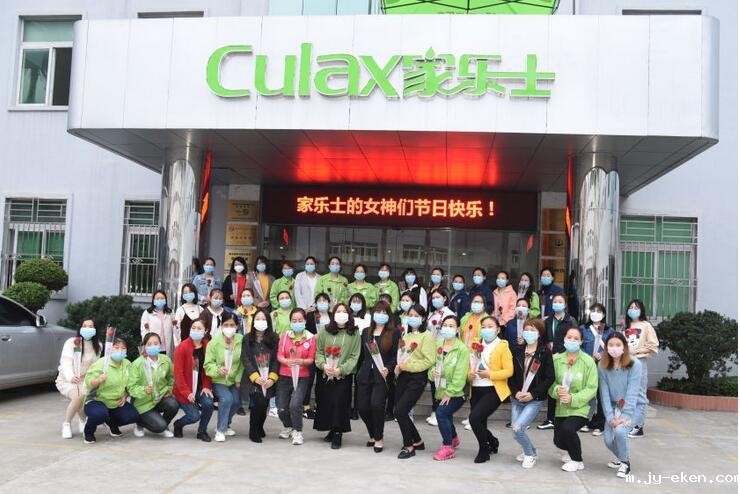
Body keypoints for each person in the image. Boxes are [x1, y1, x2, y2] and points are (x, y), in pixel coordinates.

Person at [548, 326, 598, 472]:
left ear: (581, 341)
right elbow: (550, 383)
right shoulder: (556, 360)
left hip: (582, 406)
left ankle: (577, 460)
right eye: (569, 337)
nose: (572, 340)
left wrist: (573, 398)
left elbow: (591, 388)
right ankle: (570, 451)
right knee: (558, 441)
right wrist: (557, 390)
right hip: (562, 407)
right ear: (564, 339)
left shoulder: (588, 361)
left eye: (576, 338)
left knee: (568, 429)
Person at [599, 332, 648, 478]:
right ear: (606, 347)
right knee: (608, 440)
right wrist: (610, 417)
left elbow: (633, 393)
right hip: (615, 406)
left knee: (620, 431)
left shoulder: (635, 364)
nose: (614, 348)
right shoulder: (602, 365)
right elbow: (604, 393)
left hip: (635, 406)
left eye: (618, 345)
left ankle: (625, 463)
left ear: (624, 347)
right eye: (611, 345)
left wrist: (624, 416)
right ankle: (621, 456)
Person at [314, 303, 362, 449]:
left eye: (344, 311)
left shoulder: (354, 333)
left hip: (342, 376)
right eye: (338, 311)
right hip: (326, 374)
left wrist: (341, 369)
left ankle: (338, 433)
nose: (341, 314)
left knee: (339, 403)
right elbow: (319, 351)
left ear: (349, 314)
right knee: (327, 402)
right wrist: (324, 365)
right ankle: (332, 428)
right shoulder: (325, 330)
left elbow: (355, 355)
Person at [508, 318, 554, 468]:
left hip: (534, 399)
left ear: (539, 333)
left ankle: (530, 455)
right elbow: (510, 376)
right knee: (515, 431)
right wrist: (515, 392)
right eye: (526, 329)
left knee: (518, 428)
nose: (529, 332)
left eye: (532, 330)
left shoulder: (544, 353)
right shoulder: (517, 351)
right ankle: (532, 450)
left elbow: (550, 378)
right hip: (517, 398)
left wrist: (533, 394)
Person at [466, 316, 512, 463]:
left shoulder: (502, 346)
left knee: (474, 418)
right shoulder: (476, 344)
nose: (486, 329)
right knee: (480, 422)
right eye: (484, 327)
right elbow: (470, 365)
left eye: (490, 326)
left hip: (493, 389)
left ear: (498, 329)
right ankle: (492, 441)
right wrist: (469, 375)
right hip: (476, 388)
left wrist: (490, 374)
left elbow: (509, 371)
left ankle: (484, 450)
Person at [357, 301, 400, 453]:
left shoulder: (394, 333)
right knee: (362, 407)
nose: (381, 315)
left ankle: (378, 438)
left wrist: (389, 368)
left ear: (389, 316)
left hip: (382, 375)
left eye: (384, 313)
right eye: (378, 312)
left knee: (376, 405)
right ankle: (373, 434)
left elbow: (395, 355)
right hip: (365, 374)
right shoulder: (366, 332)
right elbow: (362, 355)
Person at [394, 304, 435, 459]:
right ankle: (417, 441)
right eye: (410, 315)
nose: (412, 318)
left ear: (423, 318)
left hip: (417, 377)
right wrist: (399, 367)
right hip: (403, 376)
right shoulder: (406, 336)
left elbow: (429, 360)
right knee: (400, 410)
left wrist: (409, 366)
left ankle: (409, 446)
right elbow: (402, 356)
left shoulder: (427, 336)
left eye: (416, 315)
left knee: (400, 411)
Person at [430, 315, 471, 461]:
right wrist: (433, 373)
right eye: (445, 325)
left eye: (451, 326)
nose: (447, 328)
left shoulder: (462, 349)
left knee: (441, 413)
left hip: (457, 392)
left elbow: (460, 375)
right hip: (440, 389)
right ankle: (453, 438)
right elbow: (431, 365)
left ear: (457, 329)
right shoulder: (438, 344)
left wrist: (449, 393)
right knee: (446, 414)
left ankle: (447, 447)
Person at [83, 338, 139, 444]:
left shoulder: (127, 364)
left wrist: (125, 395)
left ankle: (110, 422)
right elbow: (88, 382)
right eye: (116, 348)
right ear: (110, 349)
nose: (120, 351)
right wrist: (98, 380)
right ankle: (89, 431)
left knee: (133, 416)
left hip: (115, 402)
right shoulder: (102, 363)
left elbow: (131, 383)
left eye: (123, 348)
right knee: (99, 414)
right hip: (97, 400)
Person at [275, 308, 317, 445]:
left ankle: (298, 431)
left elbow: (311, 359)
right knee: (281, 408)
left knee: (295, 405)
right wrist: (286, 361)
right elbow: (279, 355)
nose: (297, 323)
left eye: (300, 320)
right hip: (284, 375)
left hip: (302, 376)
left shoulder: (310, 338)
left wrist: (302, 362)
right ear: (290, 322)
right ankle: (288, 426)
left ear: (305, 321)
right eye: (294, 320)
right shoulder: (284, 336)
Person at [539, 293, 579, 430]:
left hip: (565, 356)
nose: (557, 304)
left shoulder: (570, 320)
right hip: (550, 357)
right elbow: (543, 338)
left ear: (565, 304)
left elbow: (575, 337)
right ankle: (550, 418)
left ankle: (566, 416)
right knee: (552, 385)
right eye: (555, 301)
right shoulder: (547, 320)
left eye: (560, 301)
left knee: (566, 384)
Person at [240, 309, 280, 443]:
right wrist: (255, 377)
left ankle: (260, 426)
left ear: (268, 322)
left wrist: (272, 378)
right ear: (253, 321)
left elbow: (276, 360)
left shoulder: (275, 338)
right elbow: (245, 358)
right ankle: (253, 430)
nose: (260, 321)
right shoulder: (247, 338)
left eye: (263, 319)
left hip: (268, 378)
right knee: (257, 404)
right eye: (258, 319)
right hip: (254, 379)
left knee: (264, 405)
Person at [57, 318, 101, 438]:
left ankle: (82, 420)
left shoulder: (98, 345)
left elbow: (95, 367)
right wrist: (71, 376)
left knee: (82, 396)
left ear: (95, 329)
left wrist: (92, 380)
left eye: (91, 326)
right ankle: (67, 423)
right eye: (85, 326)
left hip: (85, 380)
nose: (87, 329)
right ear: (80, 328)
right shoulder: (73, 342)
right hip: (68, 380)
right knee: (78, 396)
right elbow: (65, 361)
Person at [204, 312, 244, 442]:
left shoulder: (241, 340)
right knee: (227, 399)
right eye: (226, 325)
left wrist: (238, 379)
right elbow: (208, 364)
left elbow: (242, 363)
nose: (229, 328)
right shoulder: (214, 342)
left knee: (236, 402)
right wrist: (218, 370)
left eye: (232, 325)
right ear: (221, 326)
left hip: (233, 380)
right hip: (218, 380)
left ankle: (226, 424)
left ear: (237, 326)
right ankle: (220, 430)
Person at [129, 333, 178, 438]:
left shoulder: (166, 360)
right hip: (143, 403)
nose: (153, 346)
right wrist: (144, 390)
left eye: (156, 343)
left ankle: (163, 425)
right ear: (144, 347)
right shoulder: (137, 364)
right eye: (149, 344)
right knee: (159, 426)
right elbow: (131, 387)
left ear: (160, 345)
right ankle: (140, 423)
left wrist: (169, 389)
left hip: (159, 398)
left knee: (173, 404)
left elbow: (171, 377)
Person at [172, 319, 214, 442]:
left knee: (209, 404)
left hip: (200, 387)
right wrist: (186, 392)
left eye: (199, 328)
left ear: (206, 331)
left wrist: (207, 386)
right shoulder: (182, 347)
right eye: (193, 328)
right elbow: (178, 374)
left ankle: (202, 431)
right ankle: (178, 424)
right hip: (184, 389)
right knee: (194, 416)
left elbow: (208, 368)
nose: (196, 330)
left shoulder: (208, 346)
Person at [623, 299, 658, 438]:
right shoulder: (626, 325)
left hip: (639, 362)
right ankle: (630, 423)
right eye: (630, 307)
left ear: (641, 310)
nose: (633, 310)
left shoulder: (646, 325)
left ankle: (638, 426)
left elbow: (653, 345)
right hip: (625, 363)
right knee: (628, 394)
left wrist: (636, 351)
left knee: (640, 394)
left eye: (636, 307)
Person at [580, 302, 615, 435]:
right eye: (593, 310)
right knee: (588, 394)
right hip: (587, 366)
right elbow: (579, 346)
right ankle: (586, 421)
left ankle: (600, 424)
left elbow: (613, 346)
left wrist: (602, 354)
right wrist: (587, 357)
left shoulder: (609, 331)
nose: (595, 313)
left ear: (604, 314)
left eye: (599, 311)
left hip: (603, 367)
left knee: (602, 395)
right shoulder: (583, 329)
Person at [424, 287, 455, 427]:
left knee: (442, 381)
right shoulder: (432, 314)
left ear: (445, 298)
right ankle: (435, 410)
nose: (435, 300)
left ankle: (440, 411)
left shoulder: (449, 314)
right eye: (434, 298)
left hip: (444, 350)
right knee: (433, 381)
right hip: (432, 350)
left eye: (438, 297)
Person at [140, 290, 176, 356]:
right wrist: (147, 344)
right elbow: (144, 331)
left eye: (162, 298)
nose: (160, 300)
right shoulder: (147, 313)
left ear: (165, 300)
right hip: (152, 347)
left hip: (166, 347)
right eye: (157, 298)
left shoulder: (170, 313)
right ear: (153, 300)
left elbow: (175, 329)